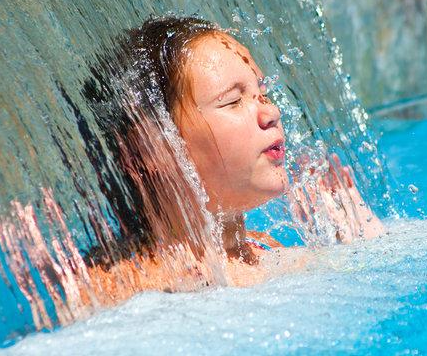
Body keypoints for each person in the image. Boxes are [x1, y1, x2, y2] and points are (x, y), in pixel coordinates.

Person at [80, 16, 384, 302]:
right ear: (151, 148)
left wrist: (364, 246)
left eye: (263, 93)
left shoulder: (265, 248)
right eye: (233, 101)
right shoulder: (115, 285)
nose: (272, 113)